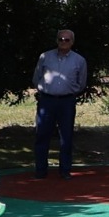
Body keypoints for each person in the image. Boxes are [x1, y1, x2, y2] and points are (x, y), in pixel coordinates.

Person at [32, 28, 88, 179]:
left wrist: (69, 91)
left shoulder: (79, 60)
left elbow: (81, 82)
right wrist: (44, 90)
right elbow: (36, 78)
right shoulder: (45, 56)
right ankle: (40, 170)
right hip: (47, 100)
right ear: (56, 41)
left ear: (72, 42)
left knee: (66, 137)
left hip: (67, 101)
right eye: (61, 39)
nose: (63, 42)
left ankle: (65, 171)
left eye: (67, 40)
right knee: (42, 135)